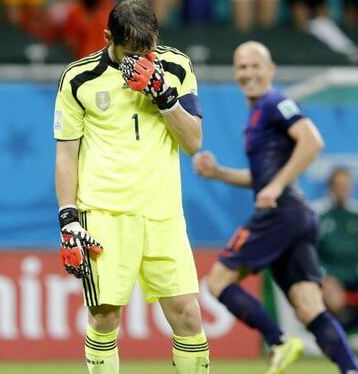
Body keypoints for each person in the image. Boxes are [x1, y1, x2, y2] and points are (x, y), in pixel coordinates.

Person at [54, 1, 208, 373]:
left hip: (163, 213)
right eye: (131, 52)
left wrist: (165, 98)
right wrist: (68, 218)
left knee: (188, 315)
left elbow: (193, 142)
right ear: (109, 38)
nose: (141, 61)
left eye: (147, 50)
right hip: (104, 213)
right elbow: (66, 153)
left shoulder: (176, 66)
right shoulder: (78, 78)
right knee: (104, 317)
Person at [193, 41, 358, 374]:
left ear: (271, 70)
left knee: (218, 281)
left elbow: (312, 141)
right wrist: (219, 173)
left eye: (255, 66)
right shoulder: (257, 114)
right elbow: (260, 177)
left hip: (280, 214)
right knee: (309, 306)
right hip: (295, 216)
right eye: (241, 67)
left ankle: (279, 340)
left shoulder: (275, 102)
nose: (248, 73)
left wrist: (278, 185)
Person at [314, 167, 358, 330]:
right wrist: (323, 277)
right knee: (331, 293)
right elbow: (309, 253)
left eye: (347, 186)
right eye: (339, 185)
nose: (343, 190)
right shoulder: (318, 215)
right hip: (330, 278)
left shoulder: (355, 215)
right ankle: (336, 336)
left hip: (355, 276)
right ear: (331, 187)